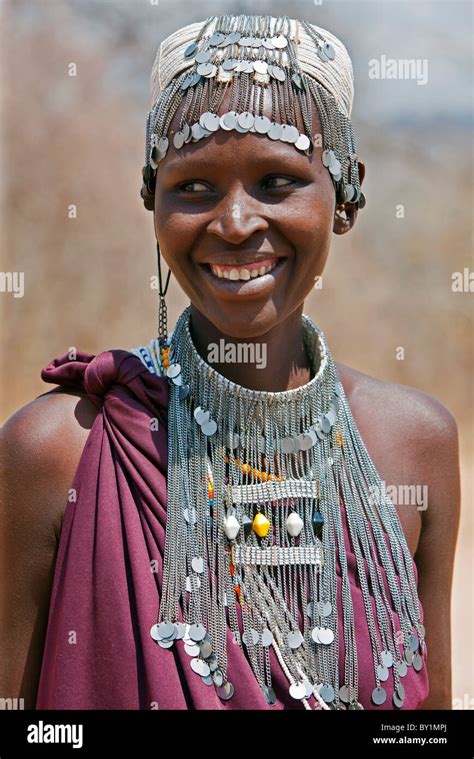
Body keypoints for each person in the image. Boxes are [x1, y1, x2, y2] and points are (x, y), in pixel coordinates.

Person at [0, 13, 460, 711]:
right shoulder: (61, 450)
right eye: (194, 187)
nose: (236, 223)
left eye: (277, 182)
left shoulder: (414, 445)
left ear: (347, 196)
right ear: (150, 197)